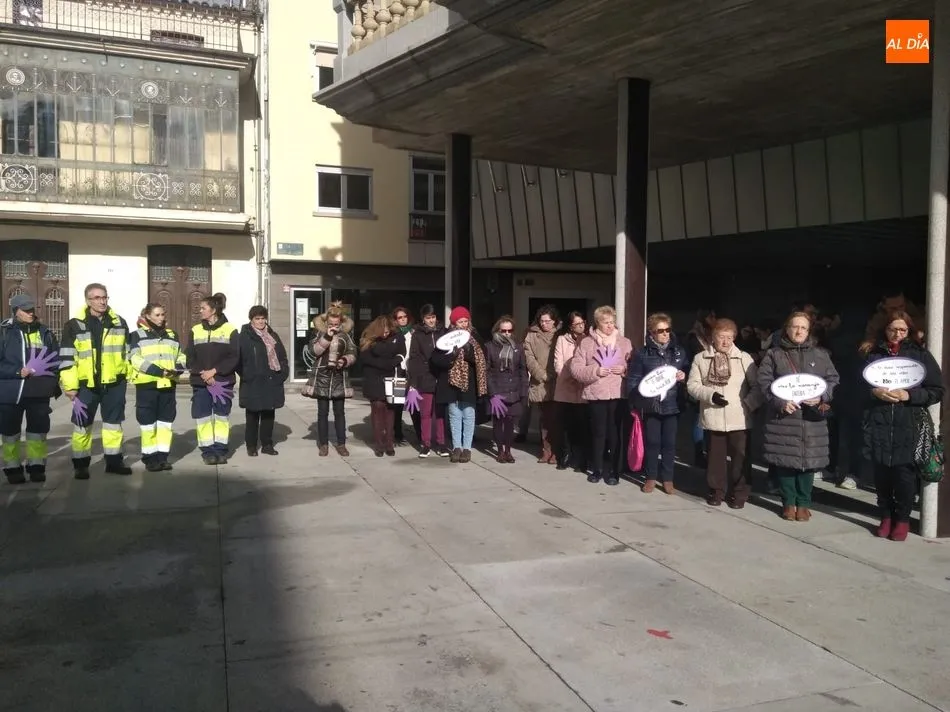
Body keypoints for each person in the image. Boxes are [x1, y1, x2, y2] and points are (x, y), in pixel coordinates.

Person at [863, 310, 943, 541]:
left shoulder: (919, 354)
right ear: (884, 329)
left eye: (902, 330)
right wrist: (873, 391)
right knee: (881, 475)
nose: (897, 334)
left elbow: (936, 390)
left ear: (909, 331)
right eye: (892, 329)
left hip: (909, 423)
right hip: (878, 422)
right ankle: (886, 515)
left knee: (904, 475)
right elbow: (856, 387)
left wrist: (909, 396)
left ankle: (903, 518)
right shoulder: (873, 353)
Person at [758, 312, 840, 521]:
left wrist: (822, 396)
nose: (799, 331)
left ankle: (804, 503)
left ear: (809, 330)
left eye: (803, 327)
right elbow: (764, 382)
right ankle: (788, 502)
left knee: (808, 462)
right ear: (786, 329)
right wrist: (779, 402)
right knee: (786, 461)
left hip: (812, 420)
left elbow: (832, 379)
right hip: (784, 417)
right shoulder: (774, 354)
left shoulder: (821, 354)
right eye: (795, 326)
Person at [687, 318, 763, 508]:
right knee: (715, 458)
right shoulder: (701, 358)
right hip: (714, 415)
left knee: (741, 458)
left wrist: (748, 404)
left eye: (730, 337)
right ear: (713, 338)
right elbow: (692, 385)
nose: (726, 342)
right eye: (722, 337)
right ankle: (716, 491)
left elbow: (757, 386)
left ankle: (739, 493)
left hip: (740, 417)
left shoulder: (744, 358)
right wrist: (710, 395)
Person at [60, 282, 132, 479]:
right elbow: (67, 358)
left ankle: (114, 461)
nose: (102, 301)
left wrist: (128, 375)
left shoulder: (119, 322)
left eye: (104, 297)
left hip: (114, 384)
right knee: (82, 425)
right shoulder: (74, 325)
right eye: (97, 298)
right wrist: (70, 386)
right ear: (87, 301)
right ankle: (81, 465)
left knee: (113, 424)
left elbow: (128, 352)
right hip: (86, 386)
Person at [0, 294, 61, 484]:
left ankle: (36, 465)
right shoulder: (4, 332)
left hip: (39, 391)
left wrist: (53, 381)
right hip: (11, 392)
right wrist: (18, 371)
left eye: (32, 310)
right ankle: (12, 467)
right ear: (15, 311)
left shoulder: (45, 332)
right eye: (26, 310)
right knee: (10, 433)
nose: (30, 313)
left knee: (38, 431)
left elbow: (55, 359)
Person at [570, 305, 634, 486]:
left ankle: (614, 471)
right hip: (596, 394)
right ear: (598, 323)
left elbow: (635, 368)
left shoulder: (624, 343)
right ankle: (596, 469)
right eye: (606, 323)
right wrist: (596, 371)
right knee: (598, 433)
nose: (610, 326)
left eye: (612, 322)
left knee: (615, 434)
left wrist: (625, 370)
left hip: (617, 394)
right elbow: (576, 369)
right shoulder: (586, 343)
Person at [627, 313, 688, 495]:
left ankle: (668, 479)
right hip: (651, 406)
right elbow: (633, 379)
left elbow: (688, 370)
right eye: (660, 331)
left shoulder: (679, 352)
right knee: (652, 442)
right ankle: (651, 477)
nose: (665, 334)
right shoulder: (641, 353)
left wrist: (684, 376)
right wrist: (637, 401)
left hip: (672, 404)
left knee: (669, 444)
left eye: (667, 330)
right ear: (651, 333)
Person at [128, 303, 187, 472]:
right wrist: (158, 371)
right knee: (148, 424)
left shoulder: (172, 335)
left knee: (165, 423)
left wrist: (179, 367)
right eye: (158, 315)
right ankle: (150, 458)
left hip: (168, 384)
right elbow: (135, 359)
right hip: (147, 385)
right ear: (147, 315)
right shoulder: (136, 336)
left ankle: (163, 457)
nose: (162, 318)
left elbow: (180, 355)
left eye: (163, 314)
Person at [187, 293, 239, 465]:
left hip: (222, 382)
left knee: (221, 417)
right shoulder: (195, 330)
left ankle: (221, 450)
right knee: (202, 418)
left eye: (203, 308)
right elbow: (190, 358)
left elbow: (234, 357)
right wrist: (204, 373)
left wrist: (215, 372)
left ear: (213, 310)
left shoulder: (230, 330)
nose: (200, 311)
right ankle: (208, 452)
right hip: (201, 383)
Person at [431, 306, 488, 463]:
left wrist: (470, 355)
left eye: (465, 321)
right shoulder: (446, 337)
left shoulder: (475, 337)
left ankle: (467, 448)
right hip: (451, 382)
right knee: (454, 414)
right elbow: (435, 360)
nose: (463, 324)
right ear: (454, 322)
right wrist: (451, 357)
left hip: (469, 382)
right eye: (460, 321)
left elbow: (483, 359)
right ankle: (456, 447)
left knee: (469, 414)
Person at [307, 303, 357, 457]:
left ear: (341, 323)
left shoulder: (345, 336)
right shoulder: (318, 334)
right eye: (331, 324)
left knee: (339, 413)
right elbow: (314, 351)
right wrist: (327, 336)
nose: (334, 326)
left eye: (336, 324)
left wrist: (345, 360)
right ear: (326, 323)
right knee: (322, 413)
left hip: (338, 378)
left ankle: (341, 444)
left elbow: (353, 352)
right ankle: (323, 444)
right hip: (322, 377)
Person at [238, 305, 289, 457]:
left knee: (268, 415)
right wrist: (247, 375)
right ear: (251, 320)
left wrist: (282, 374)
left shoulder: (273, 335)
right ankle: (251, 446)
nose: (261, 321)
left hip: (271, 381)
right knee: (252, 416)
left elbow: (282, 357)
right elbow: (238, 360)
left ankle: (267, 444)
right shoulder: (245, 336)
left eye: (263, 318)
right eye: (257, 319)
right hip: (253, 382)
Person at [359, 315, 406, 457]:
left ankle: (389, 442)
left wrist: (394, 360)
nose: (386, 334)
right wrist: (389, 362)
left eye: (387, 331)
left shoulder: (397, 337)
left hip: (392, 377)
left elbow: (401, 353)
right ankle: (379, 444)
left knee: (390, 410)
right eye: (383, 332)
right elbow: (366, 358)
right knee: (378, 408)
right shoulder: (368, 340)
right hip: (374, 379)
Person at [485, 315, 529, 463]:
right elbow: (487, 371)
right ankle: (500, 451)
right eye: (504, 331)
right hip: (497, 390)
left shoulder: (518, 346)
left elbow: (523, 369)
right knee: (498, 422)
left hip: (514, 390)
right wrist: (492, 393)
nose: (507, 334)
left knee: (510, 422)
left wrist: (523, 391)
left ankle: (508, 450)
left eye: (509, 331)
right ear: (498, 330)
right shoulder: (490, 346)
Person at [406, 304, 448, 458]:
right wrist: (414, 383)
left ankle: (442, 443)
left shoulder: (444, 331)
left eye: (433, 317)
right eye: (428, 318)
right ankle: (426, 444)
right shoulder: (418, 334)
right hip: (425, 377)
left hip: (442, 377)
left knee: (441, 414)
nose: (431, 320)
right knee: (425, 413)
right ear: (423, 319)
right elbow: (414, 358)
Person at [524, 304, 560, 464]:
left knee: (557, 418)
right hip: (540, 382)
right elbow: (528, 356)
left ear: (554, 321)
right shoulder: (531, 335)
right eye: (542, 321)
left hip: (558, 381)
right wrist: (541, 374)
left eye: (548, 321)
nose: (544, 324)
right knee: (545, 419)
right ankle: (546, 450)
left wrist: (553, 373)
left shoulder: (561, 335)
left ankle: (557, 451)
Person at [553, 311, 588, 472]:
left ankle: (580, 459)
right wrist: (570, 376)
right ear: (570, 326)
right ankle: (564, 455)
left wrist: (580, 376)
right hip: (565, 387)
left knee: (581, 426)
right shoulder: (562, 339)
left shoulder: (588, 340)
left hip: (582, 389)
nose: (581, 326)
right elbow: (558, 364)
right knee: (565, 426)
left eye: (582, 323)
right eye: (577, 324)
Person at [391, 306, 417, 446]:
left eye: (404, 316)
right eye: (399, 317)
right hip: (398, 372)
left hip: (412, 373)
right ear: (395, 320)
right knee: (397, 405)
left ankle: (420, 435)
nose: (402, 319)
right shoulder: (393, 334)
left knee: (414, 405)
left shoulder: (414, 333)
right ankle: (397, 435)